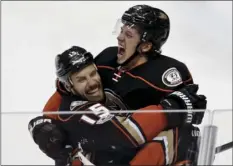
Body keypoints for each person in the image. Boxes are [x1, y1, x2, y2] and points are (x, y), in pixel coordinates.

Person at [42, 5, 207, 165]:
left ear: (146, 46)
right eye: (121, 30)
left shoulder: (168, 74)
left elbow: (191, 118)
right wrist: (41, 123)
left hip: (136, 149)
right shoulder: (107, 57)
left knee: (185, 137)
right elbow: (71, 90)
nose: (119, 37)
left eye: (128, 34)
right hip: (104, 144)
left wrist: (183, 109)